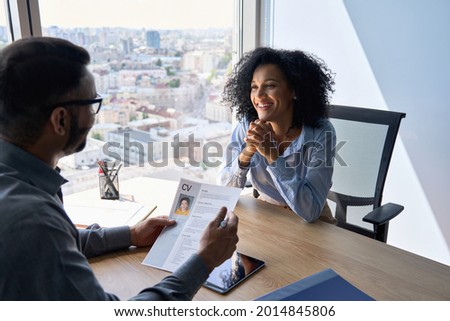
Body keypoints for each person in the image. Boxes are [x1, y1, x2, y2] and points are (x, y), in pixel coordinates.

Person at [0, 37, 239, 300]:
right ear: (60, 120)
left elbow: (60, 243)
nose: (94, 116)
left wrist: (131, 234)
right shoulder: (32, 220)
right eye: (92, 104)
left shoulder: (17, 183)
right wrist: (205, 260)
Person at [218, 47, 336, 223]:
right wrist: (246, 154)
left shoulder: (320, 132)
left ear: (294, 91)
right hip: (266, 213)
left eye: (270, 85)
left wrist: (273, 156)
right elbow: (225, 190)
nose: (258, 95)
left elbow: (310, 210)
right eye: (254, 87)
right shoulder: (247, 125)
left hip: (312, 221)